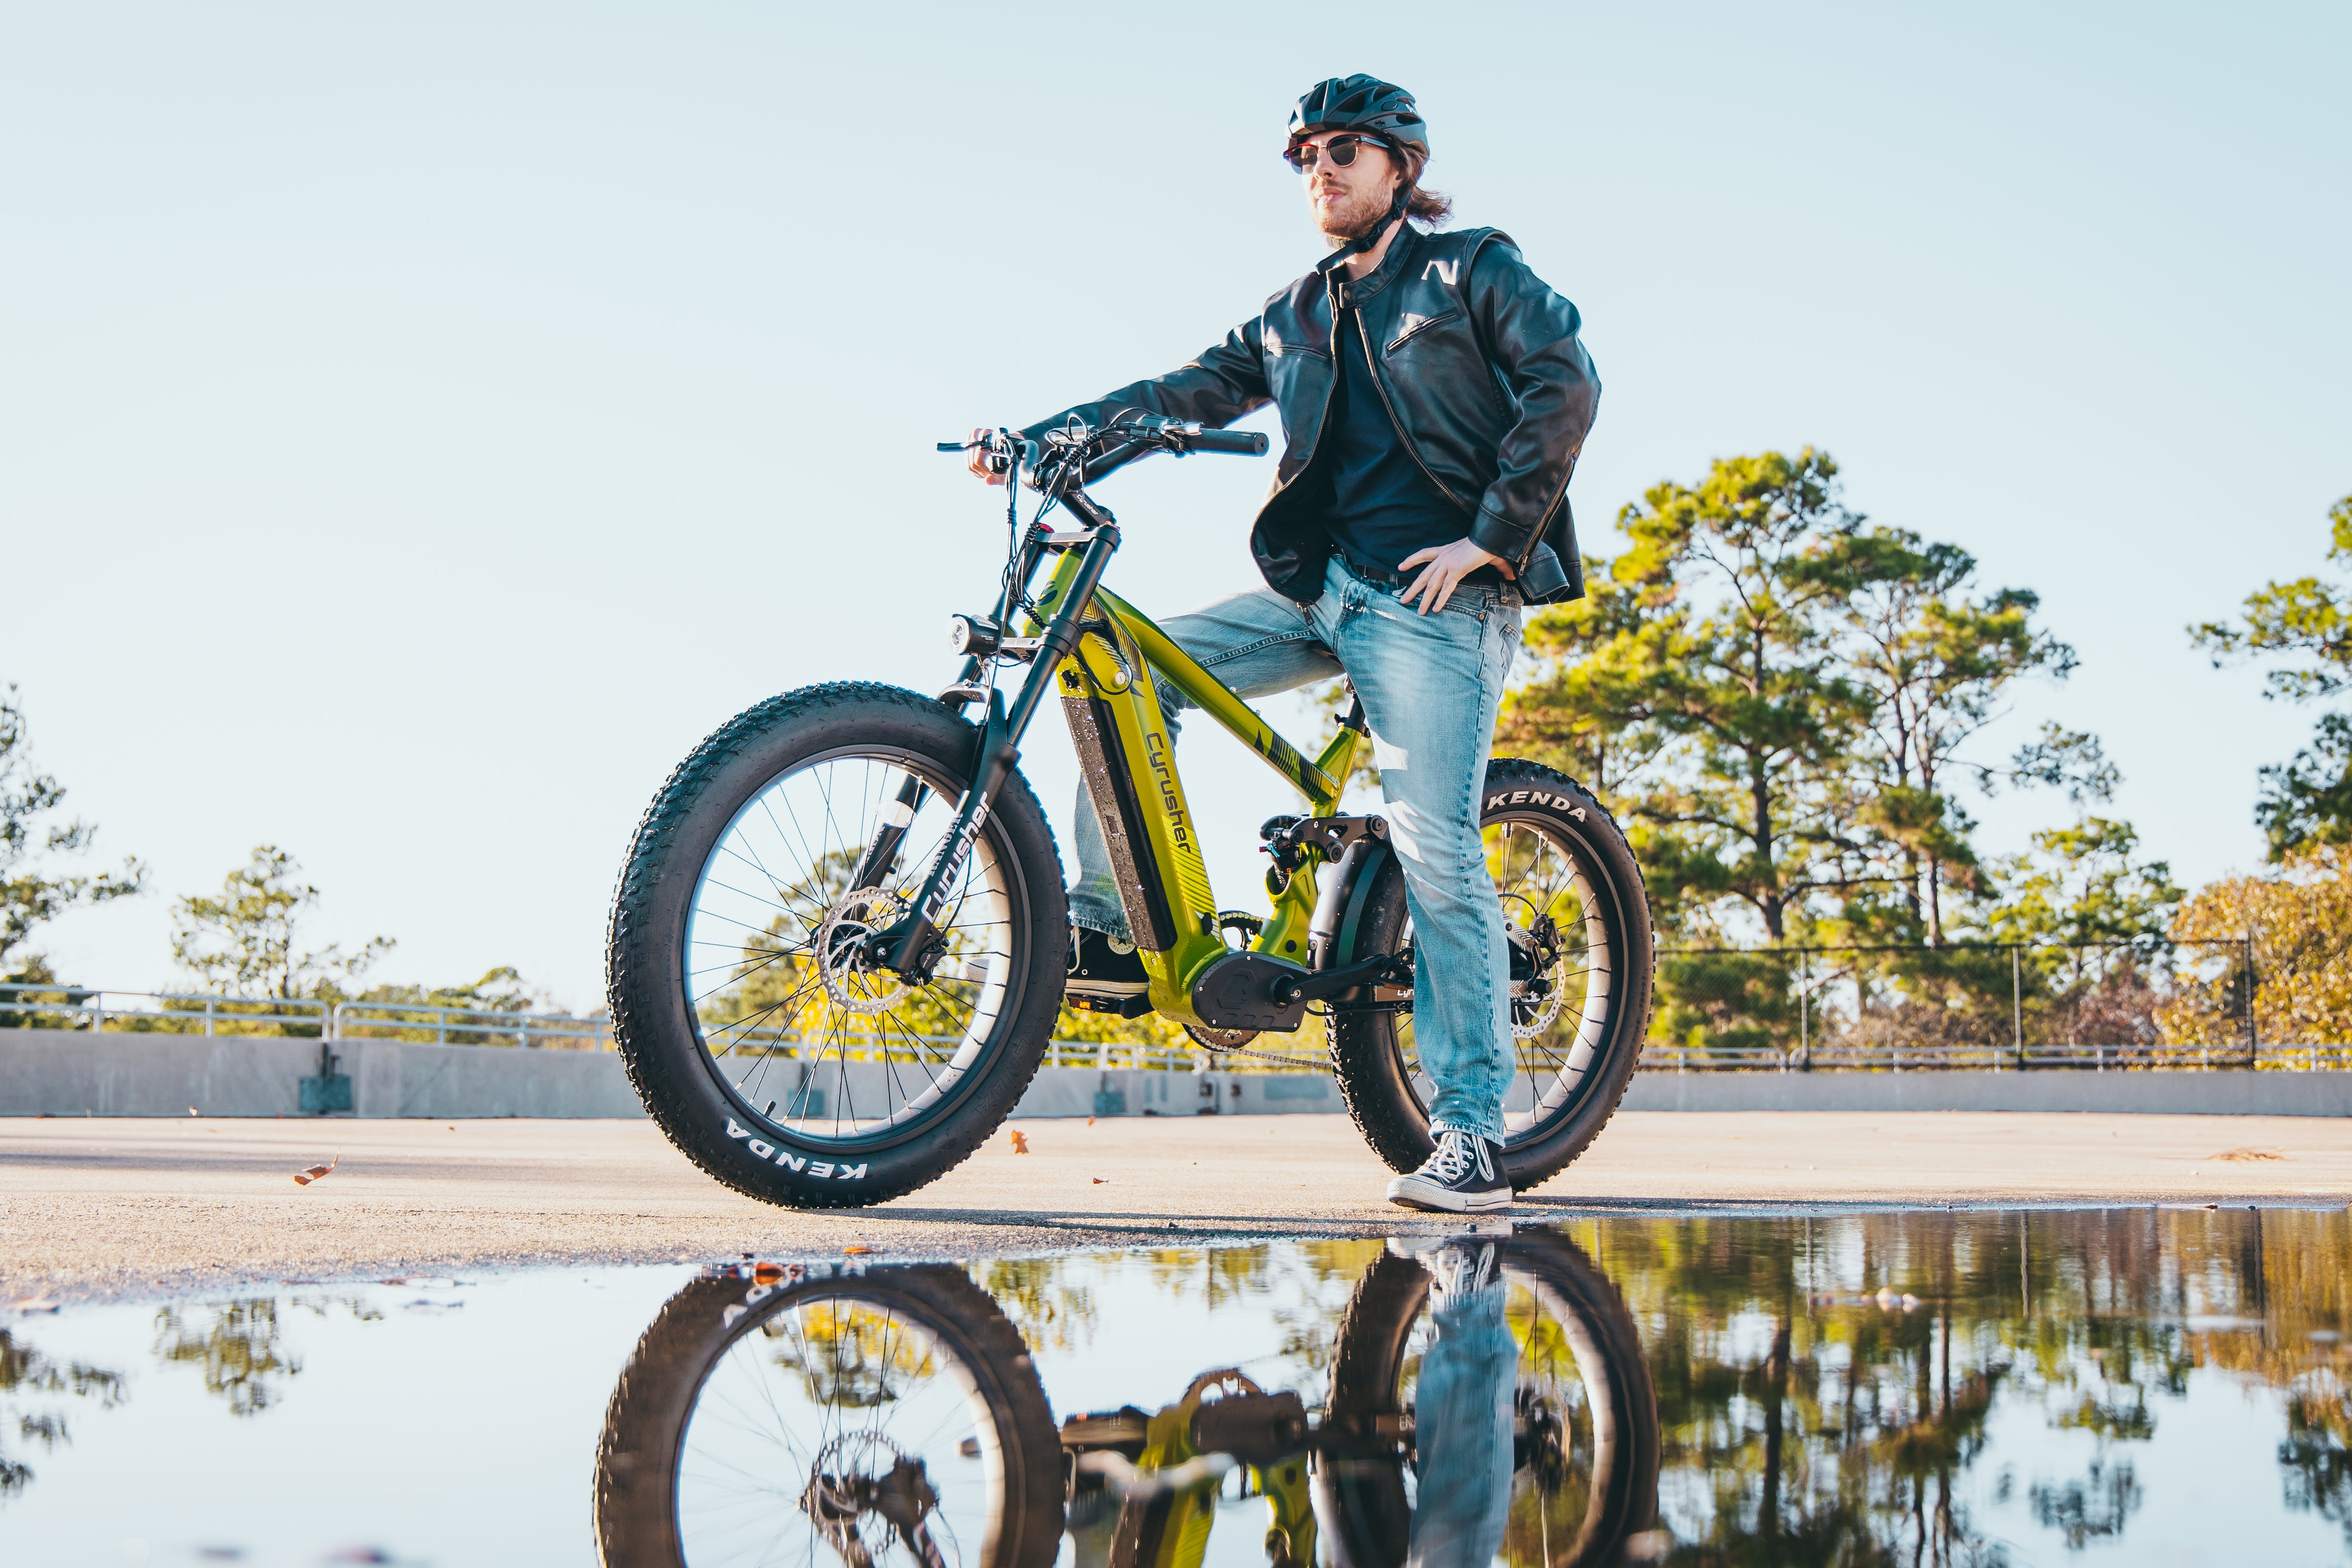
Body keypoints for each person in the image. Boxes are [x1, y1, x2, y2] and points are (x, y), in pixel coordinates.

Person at [971, 75, 1599, 1213]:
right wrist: (1049, 436)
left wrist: (1492, 542)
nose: (1321, 167)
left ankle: (1468, 1136)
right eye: (1305, 152)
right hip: (1322, 593)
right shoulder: (1294, 312)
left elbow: (1565, 384)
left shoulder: (1470, 270)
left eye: (1345, 149)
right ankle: (1110, 934)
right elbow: (1185, 391)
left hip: (1434, 598)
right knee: (1122, 669)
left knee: (1434, 844)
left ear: (1400, 167)